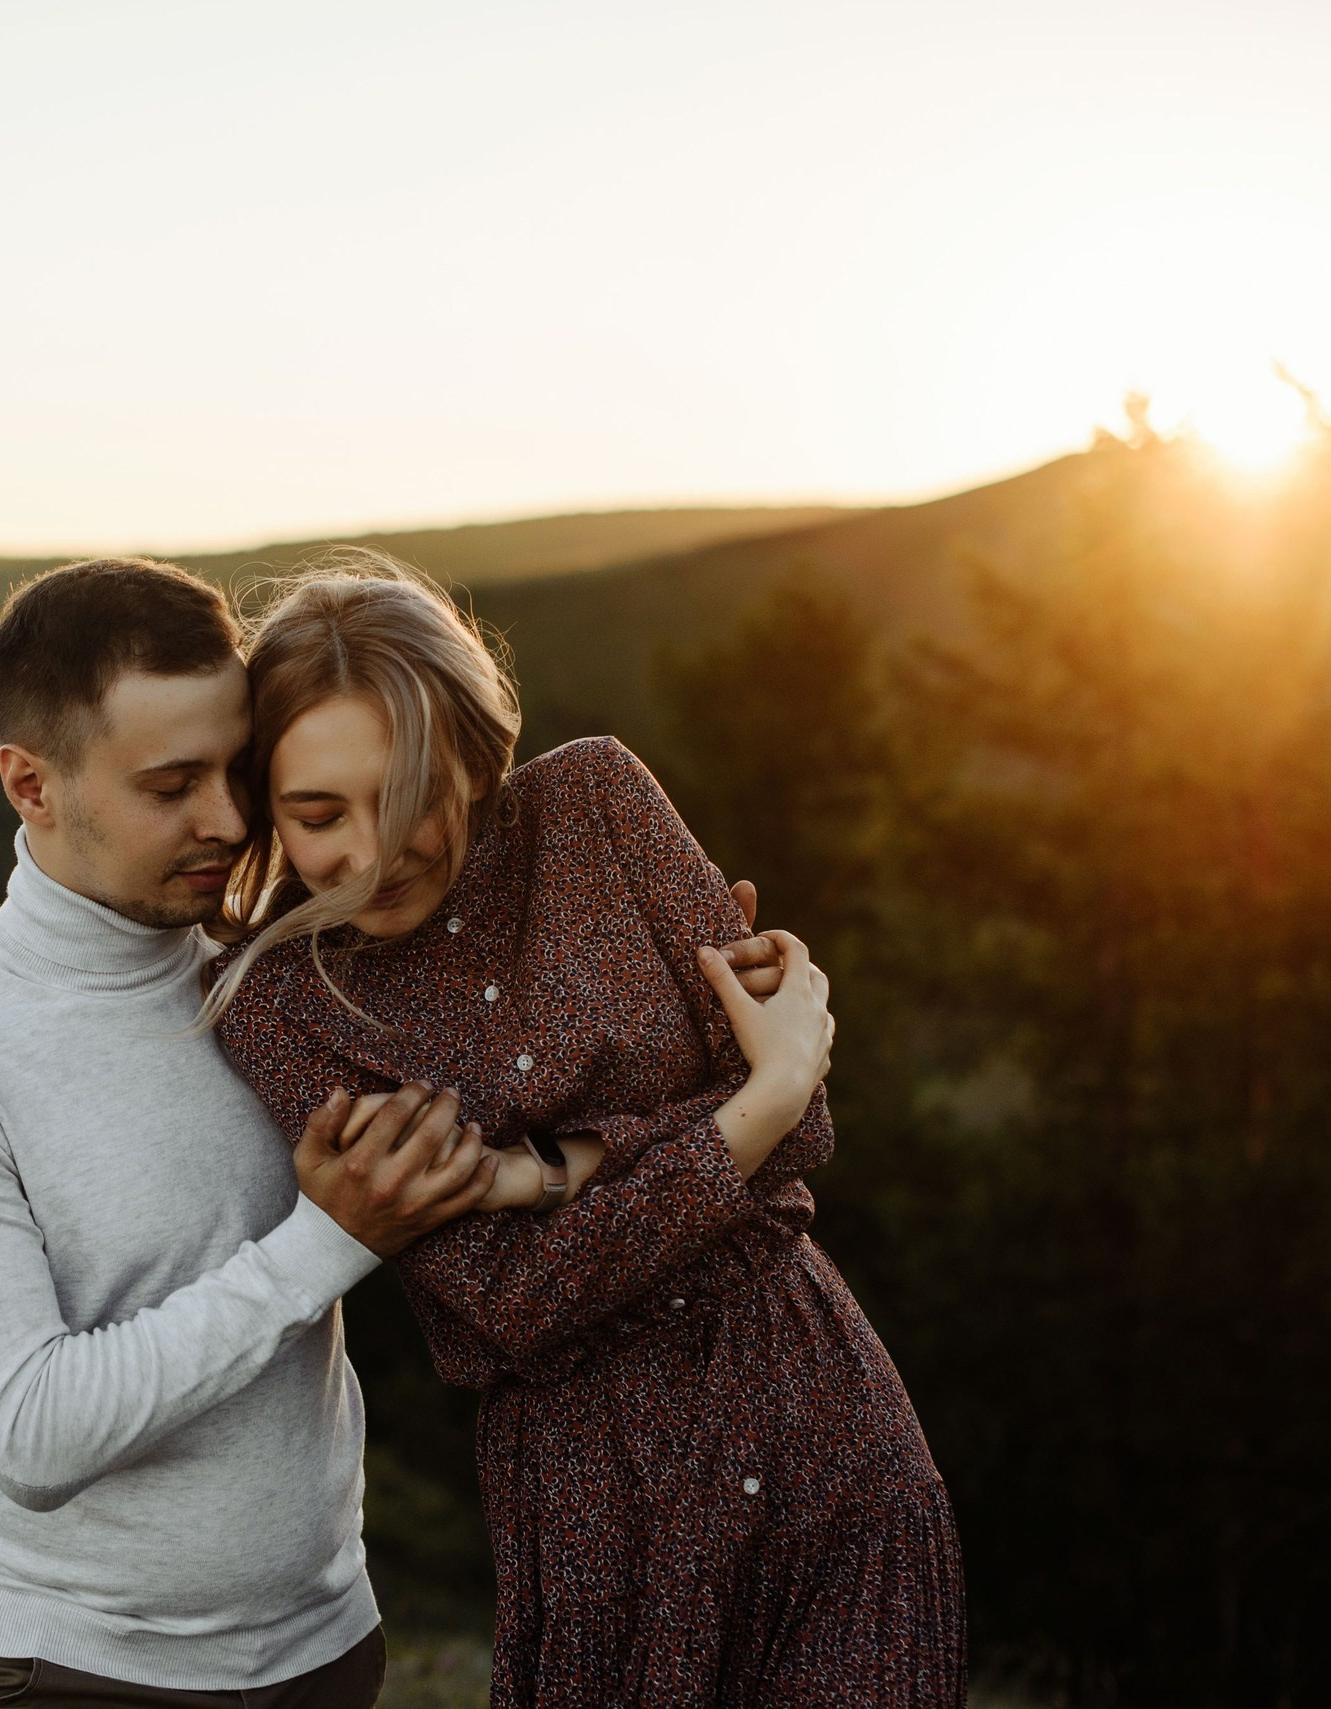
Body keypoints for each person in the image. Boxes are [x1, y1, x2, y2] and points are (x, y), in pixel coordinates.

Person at [0, 557, 801, 1709]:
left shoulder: (292, 985)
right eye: (171, 785)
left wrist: (701, 985)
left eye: (236, 771)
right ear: (30, 783)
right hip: (67, 1668)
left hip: (324, 1650)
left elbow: (541, 1092)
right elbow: (32, 1434)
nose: (228, 819)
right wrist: (327, 1240)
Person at [207, 554, 966, 1708]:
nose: (374, 851)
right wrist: (746, 1107)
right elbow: (513, 1299)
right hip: (597, 1507)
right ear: (266, 803)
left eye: (414, 796)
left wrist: (538, 1171)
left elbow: (802, 1129)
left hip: (823, 1432)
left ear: (474, 756)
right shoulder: (279, 1004)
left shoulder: (600, 802)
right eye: (319, 814)